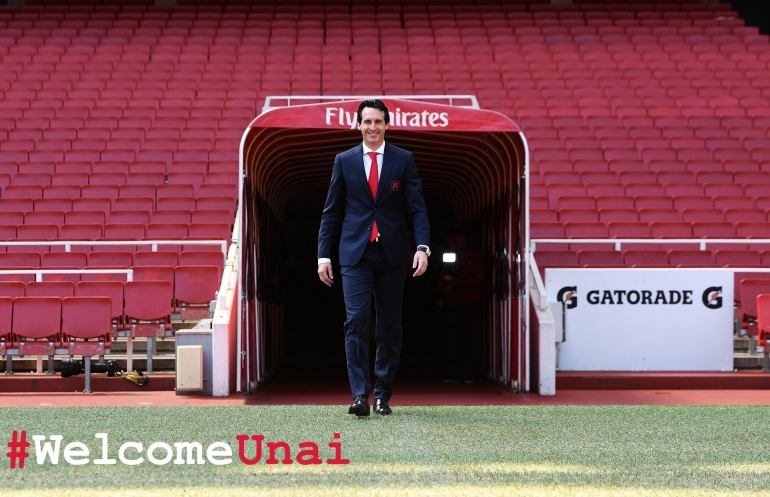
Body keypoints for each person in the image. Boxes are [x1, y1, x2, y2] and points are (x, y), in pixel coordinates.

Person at [317, 99, 431, 417]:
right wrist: (322, 256)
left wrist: (422, 248)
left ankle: (382, 394)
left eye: (378, 122)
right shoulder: (344, 161)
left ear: (386, 125)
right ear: (358, 125)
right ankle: (358, 395)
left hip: (393, 253)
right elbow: (331, 212)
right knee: (356, 321)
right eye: (367, 122)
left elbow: (417, 208)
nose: (372, 127)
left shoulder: (403, 160)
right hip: (355, 253)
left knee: (389, 325)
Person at [436, 231, 483, 383]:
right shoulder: (448, 256)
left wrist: (461, 283)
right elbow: (442, 278)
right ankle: (452, 374)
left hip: (471, 301)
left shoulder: (474, 256)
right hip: (453, 303)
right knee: (452, 339)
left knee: (471, 339)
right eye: (455, 242)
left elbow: (481, 279)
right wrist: (440, 296)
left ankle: (470, 375)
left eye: (461, 241)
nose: (458, 245)